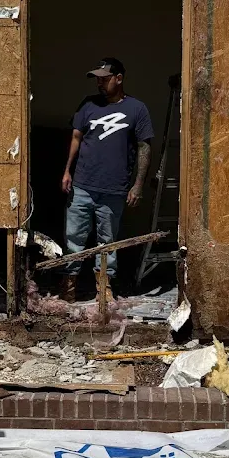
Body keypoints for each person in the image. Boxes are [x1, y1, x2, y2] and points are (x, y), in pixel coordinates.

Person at [61, 57, 154, 303]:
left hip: (114, 189)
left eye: (105, 78)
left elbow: (145, 147)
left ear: (119, 78)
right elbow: (76, 138)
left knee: (107, 241)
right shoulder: (88, 105)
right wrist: (67, 170)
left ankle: (104, 286)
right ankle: (69, 284)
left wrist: (138, 184)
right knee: (74, 238)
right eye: (98, 79)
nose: (100, 84)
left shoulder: (137, 109)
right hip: (82, 185)